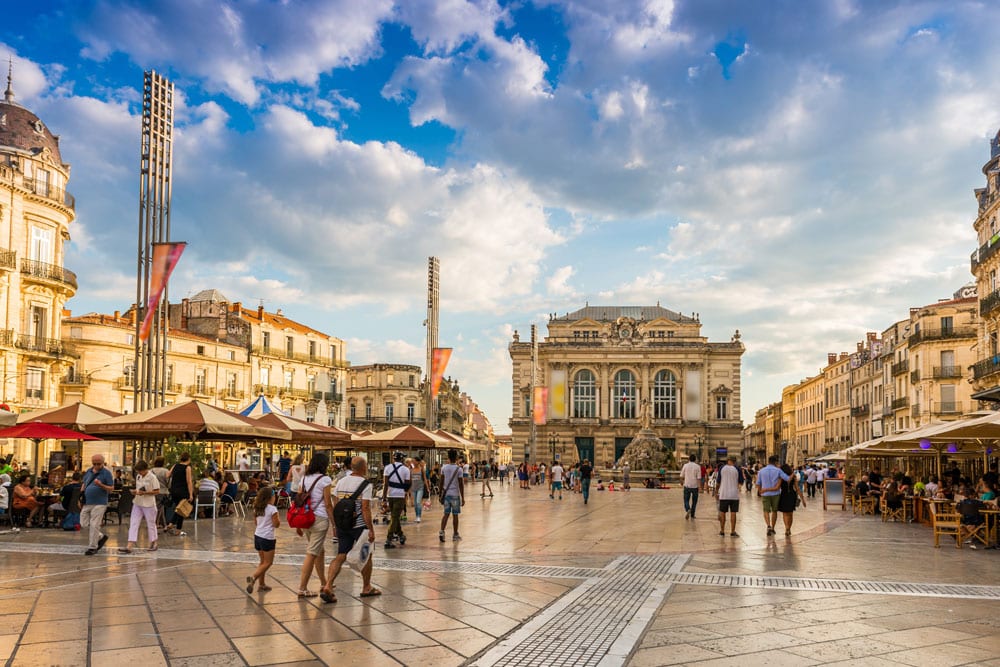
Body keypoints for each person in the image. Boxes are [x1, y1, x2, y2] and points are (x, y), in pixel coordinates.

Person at [320, 456, 381, 603]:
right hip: (359, 525)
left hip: (343, 524)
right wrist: (371, 529)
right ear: (363, 468)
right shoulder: (365, 484)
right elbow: (365, 508)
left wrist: (337, 523)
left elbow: (336, 502)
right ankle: (366, 587)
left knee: (341, 555)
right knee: (367, 555)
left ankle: (328, 585)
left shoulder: (341, 481)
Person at [297, 453, 333, 598]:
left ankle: (324, 582)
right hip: (319, 518)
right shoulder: (325, 479)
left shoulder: (304, 478)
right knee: (312, 553)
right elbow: (328, 503)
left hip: (306, 518)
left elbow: (298, 502)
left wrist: (298, 525)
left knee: (319, 551)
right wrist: (335, 524)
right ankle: (302, 588)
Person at [119, 460, 159, 553]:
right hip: (138, 502)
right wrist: (135, 492)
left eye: (140, 471)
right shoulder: (138, 476)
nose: (139, 473)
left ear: (146, 469)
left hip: (149, 504)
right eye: (138, 471)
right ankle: (130, 545)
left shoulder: (152, 477)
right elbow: (139, 488)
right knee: (133, 522)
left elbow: (157, 491)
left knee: (151, 523)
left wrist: (144, 493)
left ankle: (154, 542)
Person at [247, 486, 279, 594]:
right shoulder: (272, 509)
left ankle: (262, 584)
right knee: (268, 562)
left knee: (262, 562)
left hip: (258, 536)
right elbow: (276, 524)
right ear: (270, 498)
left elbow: (256, 522)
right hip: (267, 538)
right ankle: (254, 577)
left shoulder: (257, 508)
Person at [80, 455, 114, 554]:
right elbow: (84, 483)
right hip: (87, 501)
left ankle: (93, 547)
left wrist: (101, 485)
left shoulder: (106, 473)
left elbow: (111, 488)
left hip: (100, 502)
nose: (96, 466)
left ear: (103, 463)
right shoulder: (89, 471)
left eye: (98, 464)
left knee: (94, 524)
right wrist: (81, 496)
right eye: (94, 463)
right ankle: (100, 537)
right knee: (83, 523)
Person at [382, 451, 410, 549]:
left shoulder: (387, 468)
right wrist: (406, 493)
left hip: (390, 495)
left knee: (395, 516)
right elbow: (407, 484)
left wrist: (384, 498)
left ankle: (401, 535)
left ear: (393, 459)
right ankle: (389, 539)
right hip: (400, 495)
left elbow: (385, 484)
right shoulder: (406, 470)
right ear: (402, 459)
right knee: (394, 517)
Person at [756, 455, 790, 536]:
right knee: (774, 511)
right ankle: (773, 528)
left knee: (766, 510)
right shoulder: (778, 470)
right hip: (776, 494)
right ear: (775, 462)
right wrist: (793, 475)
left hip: (765, 494)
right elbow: (787, 478)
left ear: (768, 461)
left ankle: (768, 525)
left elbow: (758, 483)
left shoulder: (761, 471)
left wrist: (760, 491)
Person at [439, 448, 465, 542]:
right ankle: (455, 534)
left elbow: (441, 482)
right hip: (455, 495)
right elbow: (461, 484)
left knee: (445, 514)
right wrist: (463, 497)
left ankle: (442, 531)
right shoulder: (459, 469)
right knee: (455, 515)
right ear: (457, 457)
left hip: (446, 495)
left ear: (448, 457)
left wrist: (440, 495)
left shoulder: (444, 468)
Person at [165, 453, 194, 536]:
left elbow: (167, 475)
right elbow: (189, 482)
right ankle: (172, 524)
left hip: (174, 490)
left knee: (180, 509)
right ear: (188, 459)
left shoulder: (175, 466)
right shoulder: (187, 468)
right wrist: (191, 494)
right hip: (182, 491)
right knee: (181, 509)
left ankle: (177, 529)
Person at [775, 463, 806, 536]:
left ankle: (786, 528)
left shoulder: (781, 477)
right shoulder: (793, 477)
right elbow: (797, 489)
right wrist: (803, 499)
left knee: (785, 514)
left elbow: (778, 487)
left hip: (784, 495)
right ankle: (789, 528)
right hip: (792, 495)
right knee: (790, 514)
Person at [716, 456, 743, 537]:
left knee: (722, 512)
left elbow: (718, 481)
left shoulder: (722, 468)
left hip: (724, 494)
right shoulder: (737, 469)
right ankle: (733, 531)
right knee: (733, 513)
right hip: (734, 494)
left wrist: (716, 491)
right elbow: (741, 482)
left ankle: (722, 531)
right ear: (734, 461)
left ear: (728, 460)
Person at [680, 454, 701, 519]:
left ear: (689, 459)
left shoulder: (685, 466)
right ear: (695, 459)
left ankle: (688, 509)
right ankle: (692, 514)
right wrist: (699, 487)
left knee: (686, 499)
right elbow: (699, 478)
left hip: (687, 485)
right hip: (695, 486)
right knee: (694, 501)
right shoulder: (697, 466)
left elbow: (681, 476)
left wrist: (681, 482)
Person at [411, 455, 429, 523]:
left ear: (417, 462)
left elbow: (425, 479)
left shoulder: (421, 469)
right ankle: (416, 516)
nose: (412, 462)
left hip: (420, 488)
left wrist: (427, 488)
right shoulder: (411, 470)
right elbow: (410, 480)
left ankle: (419, 516)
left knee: (418, 502)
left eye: (414, 461)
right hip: (413, 488)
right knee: (415, 504)